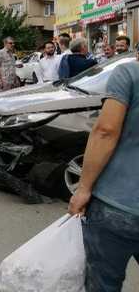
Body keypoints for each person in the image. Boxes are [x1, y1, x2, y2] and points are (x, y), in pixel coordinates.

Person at [68, 47, 139, 291]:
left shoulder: (129, 73)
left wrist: (83, 189)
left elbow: (106, 131)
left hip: (117, 205)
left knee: (103, 284)